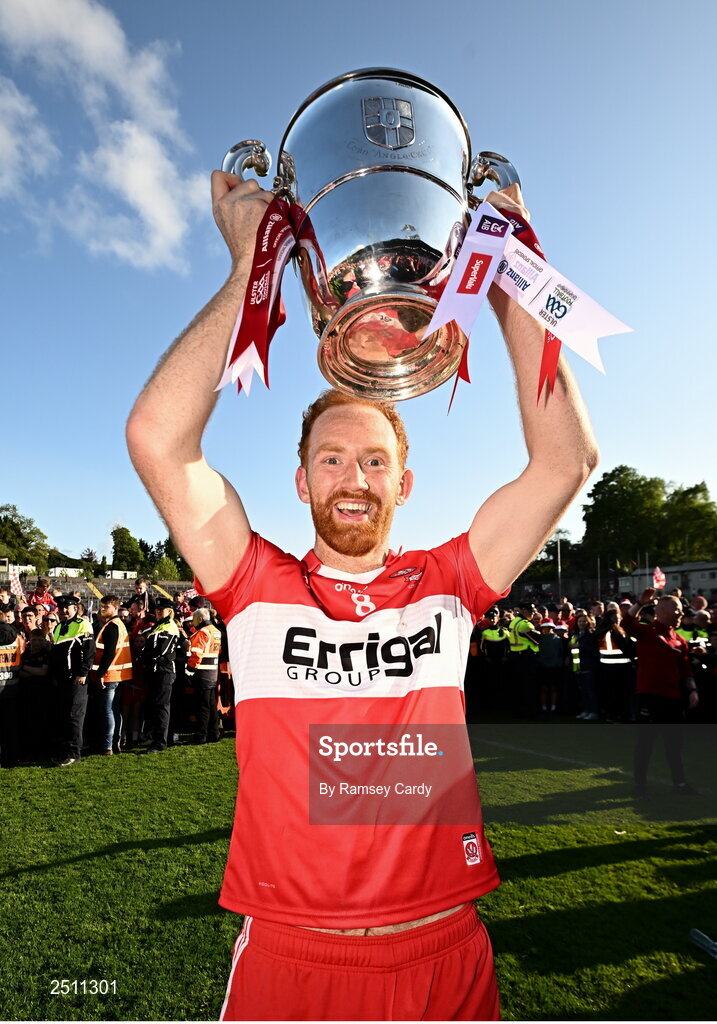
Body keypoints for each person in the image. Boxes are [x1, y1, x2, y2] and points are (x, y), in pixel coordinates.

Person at [126, 171, 598, 1021]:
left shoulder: (449, 583)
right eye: (334, 460)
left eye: (374, 460)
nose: (354, 478)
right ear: (301, 481)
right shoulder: (254, 582)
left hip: (444, 957)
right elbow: (159, 438)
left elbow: (564, 463)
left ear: (405, 483)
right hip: (290, 959)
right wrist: (248, 270)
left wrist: (508, 271)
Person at [623, 588, 699, 796]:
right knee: (645, 743)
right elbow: (626, 624)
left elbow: (685, 670)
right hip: (649, 696)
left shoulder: (680, 641)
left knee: (674, 744)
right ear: (663, 610)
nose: (681, 614)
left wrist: (692, 690)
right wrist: (639, 603)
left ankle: (680, 784)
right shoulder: (648, 631)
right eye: (678, 610)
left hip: (673, 699)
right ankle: (640, 785)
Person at [50, 594, 96, 767]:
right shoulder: (59, 627)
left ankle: (74, 753)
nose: (63, 611)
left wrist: (83, 673)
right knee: (65, 715)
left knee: (74, 716)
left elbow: (89, 651)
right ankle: (66, 750)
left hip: (77, 679)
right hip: (62, 679)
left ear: (74, 608)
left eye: (66, 608)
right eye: (60, 608)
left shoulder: (83, 624)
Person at [89, 594, 133, 755]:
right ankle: (115, 742)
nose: (102, 609)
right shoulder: (118, 625)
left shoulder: (112, 626)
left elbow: (109, 653)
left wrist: (100, 674)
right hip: (117, 674)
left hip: (109, 675)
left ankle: (108, 745)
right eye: (101, 606)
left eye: (106, 607)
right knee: (114, 709)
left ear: (115, 607)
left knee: (108, 710)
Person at [141, 597, 181, 753]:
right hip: (157, 671)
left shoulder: (169, 626)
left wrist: (145, 657)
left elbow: (161, 651)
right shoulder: (158, 626)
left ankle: (160, 742)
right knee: (157, 705)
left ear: (169, 611)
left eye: (161, 609)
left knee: (161, 706)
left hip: (164, 671)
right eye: (157, 609)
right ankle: (161, 738)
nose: (157, 612)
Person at [186, 607, 222, 743]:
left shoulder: (203, 632)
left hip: (202, 673)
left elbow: (196, 654)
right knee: (211, 705)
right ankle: (214, 733)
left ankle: (201, 735)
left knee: (203, 706)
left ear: (200, 619)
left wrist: (189, 670)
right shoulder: (216, 631)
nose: (192, 623)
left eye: (194, 620)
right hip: (212, 673)